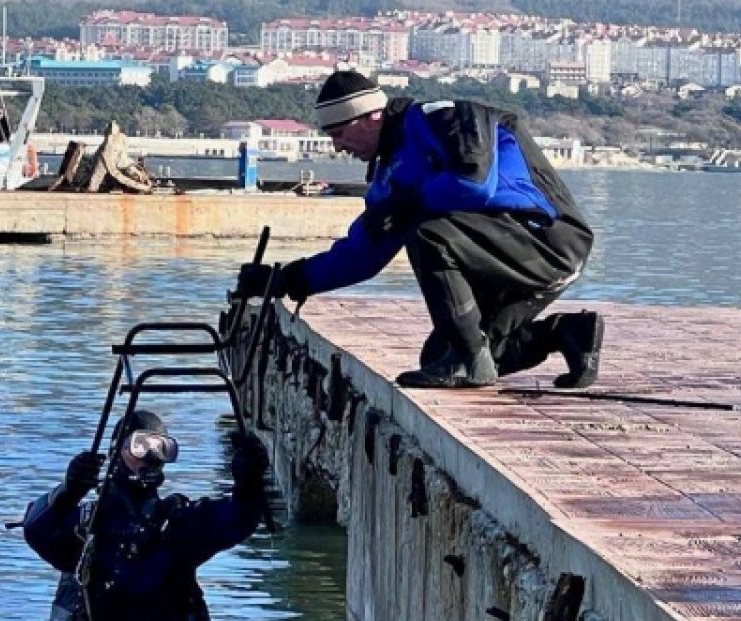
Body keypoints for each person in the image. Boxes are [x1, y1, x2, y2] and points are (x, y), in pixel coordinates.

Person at [235, 71, 603, 389]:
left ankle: (466, 360)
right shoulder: (386, 179)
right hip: (503, 257)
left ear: (371, 116)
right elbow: (362, 256)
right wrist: (285, 280)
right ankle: (567, 334)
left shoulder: (441, 117)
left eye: (340, 133)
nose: (338, 146)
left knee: (428, 234)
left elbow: (476, 182)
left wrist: (411, 204)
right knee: (437, 357)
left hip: (548, 239)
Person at [21, 409, 269, 621]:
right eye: (140, 447)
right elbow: (36, 530)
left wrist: (248, 484)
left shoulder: (179, 524)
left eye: (161, 449)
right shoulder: (87, 527)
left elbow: (237, 520)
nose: (151, 458)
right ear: (115, 452)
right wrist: (67, 491)